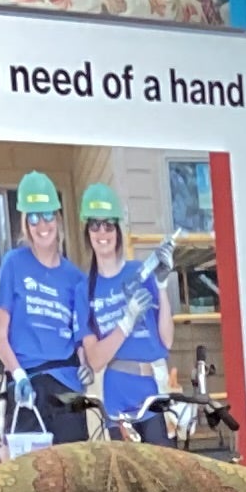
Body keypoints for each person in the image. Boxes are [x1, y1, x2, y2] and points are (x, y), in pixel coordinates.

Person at [0, 172, 92, 450]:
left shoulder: (75, 278)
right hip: (28, 387)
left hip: (67, 389)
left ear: (58, 218)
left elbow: (79, 337)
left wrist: (87, 365)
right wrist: (18, 374)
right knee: (33, 482)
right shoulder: (13, 264)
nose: (41, 225)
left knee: (74, 479)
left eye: (46, 215)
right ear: (25, 223)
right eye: (33, 217)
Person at [79, 183, 176, 445]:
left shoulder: (140, 272)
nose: (102, 232)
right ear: (86, 232)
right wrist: (126, 321)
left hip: (153, 391)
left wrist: (162, 285)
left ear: (118, 230)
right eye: (94, 225)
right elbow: (96, 359)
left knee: (162, 481)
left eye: (109, 225)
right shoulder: (84, 290)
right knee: (128, 482)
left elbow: (166, 341)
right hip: (118, 395)